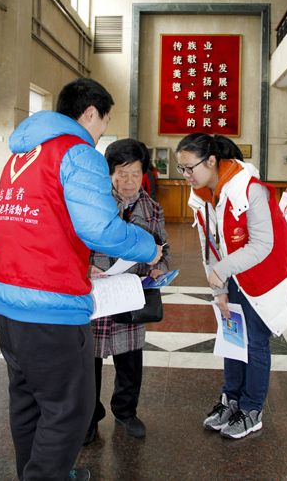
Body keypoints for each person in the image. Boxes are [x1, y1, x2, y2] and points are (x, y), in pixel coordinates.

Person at [0, 78, 162, 481]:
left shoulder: (21, 155)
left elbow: (37, 226)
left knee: (28, 402)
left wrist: (76, 260)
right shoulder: (76, 151)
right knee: (70, 408)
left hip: (9, 300)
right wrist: (147, 246)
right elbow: (100, 228)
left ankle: (35, 472)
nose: (101, 130)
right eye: (104, 120)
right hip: (51, 307)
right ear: (89, 113)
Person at [175, 133, 287, 440]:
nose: (185, 176)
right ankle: (231, 400)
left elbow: (263, 243)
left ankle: (251, 410)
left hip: (263, 278)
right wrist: (218, 289)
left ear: (211, 161)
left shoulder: (250, 189)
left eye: (189, 168)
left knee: (256, 343)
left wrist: (221, 271)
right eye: (181, 169)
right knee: (233, 337)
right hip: (233, 277)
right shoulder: (204, 195)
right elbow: (208, 245)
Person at [84, 138, 170, 443]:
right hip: (94, 295)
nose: (129, 181)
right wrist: (86, 267)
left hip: (129, 298)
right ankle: (89, 418)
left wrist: (159, 266)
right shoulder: (92, 203)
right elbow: (73, 245)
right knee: (87, 364)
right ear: (109, 173)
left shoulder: (152, 209)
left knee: (130, 360)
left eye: (135, 173)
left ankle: (126, 411)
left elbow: (162, 247)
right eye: (122, 173)